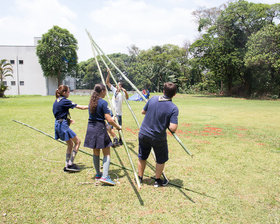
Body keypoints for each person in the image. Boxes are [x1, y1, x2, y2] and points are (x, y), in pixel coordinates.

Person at [137, 82, 179, 187]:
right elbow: (173, 128)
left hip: (143, 133)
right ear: (174, 94)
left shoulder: (153, 99)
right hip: (158, 137)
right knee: (161, 159)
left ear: (163, 91)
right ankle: (157, 180)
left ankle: (140, 178)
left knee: (142, 156)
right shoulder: (173, 108)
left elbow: (143, 111)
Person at [84, 83, 122, 186]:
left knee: (96, 152)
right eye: (105, 91)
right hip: (99, 129)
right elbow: (108, 119)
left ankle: (98, 174)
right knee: (107, 153)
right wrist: (118, 127)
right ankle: (105, 177)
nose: (106, 93)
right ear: (102, 92)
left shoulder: (92, 102)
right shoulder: (103, 103)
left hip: (91, 128)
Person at [53, 85, 88, 172]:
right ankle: (70, 164)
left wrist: (68, 119)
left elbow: (57, 113)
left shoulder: (56, 101)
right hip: (63, 125)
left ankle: (67, 165)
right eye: (68, 92)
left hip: (57, 124)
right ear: (64, 93)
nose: (69, 93)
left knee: (70, 144)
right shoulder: (65, 101)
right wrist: (92, 106)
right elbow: (81, 107)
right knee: (77, 142)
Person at [106, 69, 129, 145]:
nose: (116, 85)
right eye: (116, 84)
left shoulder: (122, 94)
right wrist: (109, 73)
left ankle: (120, 139)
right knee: (109, 127)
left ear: (121, 86)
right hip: (112, 112)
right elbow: (107, 82)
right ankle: (114, 138)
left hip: (118, 113)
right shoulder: (114, 90)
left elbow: (127, 98)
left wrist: (125, 91)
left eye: (118, 84)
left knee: (119, 127)